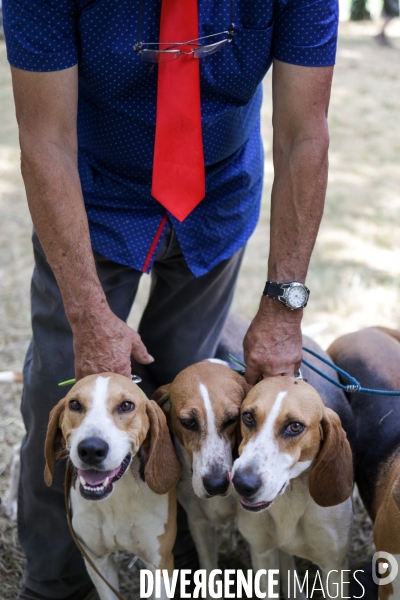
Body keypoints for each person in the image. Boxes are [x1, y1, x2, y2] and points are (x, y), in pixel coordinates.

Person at [3, 0, 338, 598]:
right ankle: (53, 582)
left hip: (216, 201)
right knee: (62, 392)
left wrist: (285, 307)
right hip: (91, 202)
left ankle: (177, 565)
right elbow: (45, 139)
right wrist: (85, 310)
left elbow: (303, 135)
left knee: (190, 405)